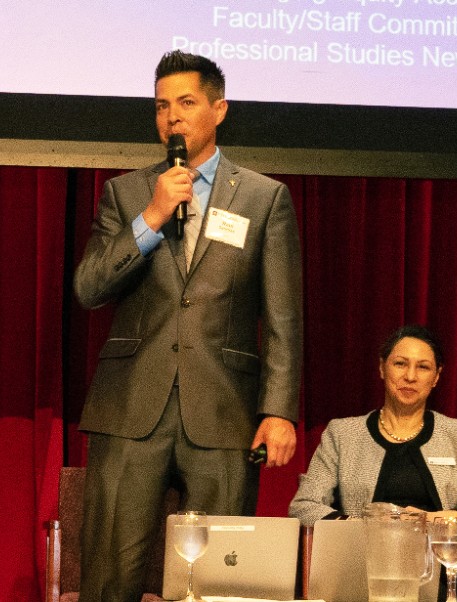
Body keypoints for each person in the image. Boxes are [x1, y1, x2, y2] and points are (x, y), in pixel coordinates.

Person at [72, 50, 303, 602]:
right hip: (131, 409)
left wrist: (278, 411)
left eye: (185, 103)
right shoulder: (126, 193)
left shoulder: (263, 197)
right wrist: (150, 218)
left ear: (219, 109)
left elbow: (283, 316)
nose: (171, 117)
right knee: (111, 576)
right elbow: (89, 288)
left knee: (217, 583)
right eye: (160, 106)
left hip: (223, 411)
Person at [289, 325, 457, 602]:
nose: (410, 376)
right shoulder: (342, 434)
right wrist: (367, 528)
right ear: (382, 368)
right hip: (364, 565)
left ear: (437, 377)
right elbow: (304, 506)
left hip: (446, 567)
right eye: (400, 364)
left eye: (423, 367)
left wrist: (425, 523)